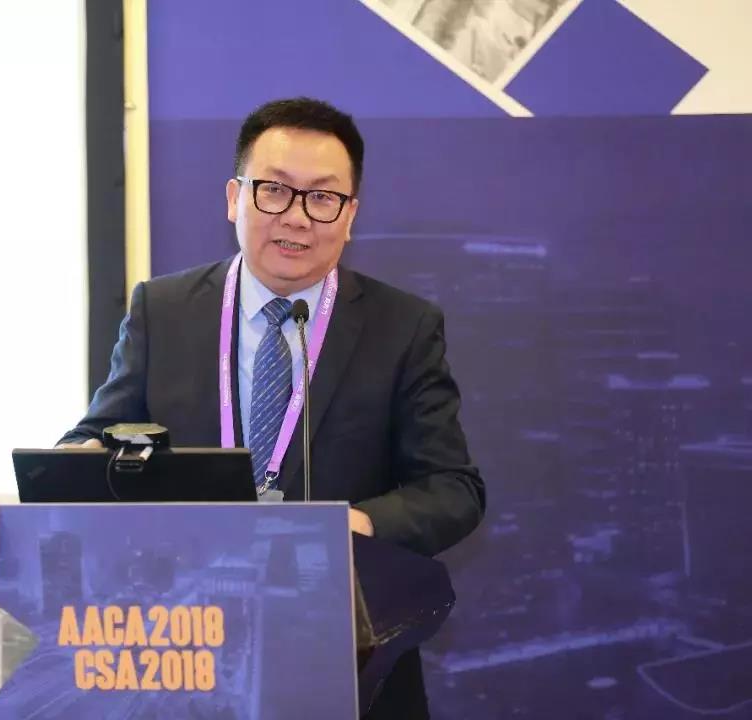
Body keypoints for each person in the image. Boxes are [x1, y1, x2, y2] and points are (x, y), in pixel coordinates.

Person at [59, 97, 485, 719]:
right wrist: (79, 460)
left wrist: (354, 526)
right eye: (275, 191)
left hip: (346, 653)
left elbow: (453, 489)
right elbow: (100, 433)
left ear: (350, 215)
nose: (297, 217)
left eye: (323, 197)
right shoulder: (164, 309)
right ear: (235, 198)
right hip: (182, 649)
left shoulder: (403, 327)